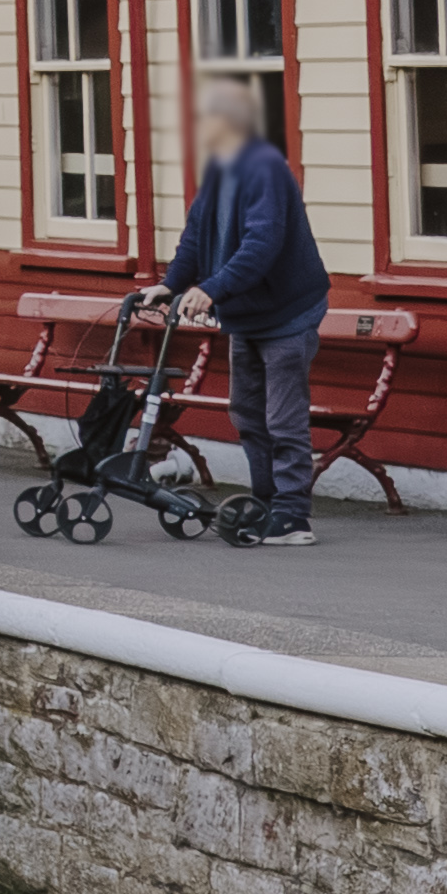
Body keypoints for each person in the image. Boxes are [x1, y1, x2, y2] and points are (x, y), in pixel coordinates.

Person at [156, 71, 331, 546]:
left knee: (283, 419)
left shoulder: (264, 168)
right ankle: (263, 505)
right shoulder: (219, 169)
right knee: (248, 415)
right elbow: (195, 236)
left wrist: (212, 289)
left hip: (288, 313)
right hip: (249, 315)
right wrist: (170, 285)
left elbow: (262, 244)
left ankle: (293, 517)